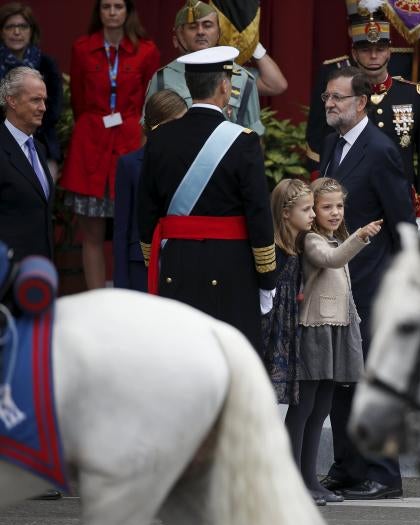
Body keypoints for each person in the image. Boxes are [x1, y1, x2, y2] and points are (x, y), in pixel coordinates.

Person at [137, 46, 277, 350]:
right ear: (225, 86)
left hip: (176, 261)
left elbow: (146, 211)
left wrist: (156, 260)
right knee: (229, 357)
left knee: (180, 354)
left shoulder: (159, 139)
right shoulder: (244, 142)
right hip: (232, 267)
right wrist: (267, 278)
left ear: (188, 86)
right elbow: (258, 215)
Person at [318, 66, 415, 499]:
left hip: (375, 280)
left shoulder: (380, 150)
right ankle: (348, 466)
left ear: (360, 103)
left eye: (337, 98)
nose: (329, 104)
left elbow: (402, 222)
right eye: (326, 97)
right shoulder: (331, 144)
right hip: (338, 279)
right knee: (340, 375)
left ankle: (383, 474)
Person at [288, 177, 381, 506]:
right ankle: (292, 480)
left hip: (335, 327)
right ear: (312, 210)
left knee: (322, 408)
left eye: (339, 206)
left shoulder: (332, 237)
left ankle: (310, 479)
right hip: (316, 328)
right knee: (304, 408)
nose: (335, 212)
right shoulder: (312, 240)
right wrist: (360, 236)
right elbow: (333, 259)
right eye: (326, 206)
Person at [307, 0, 420, 236]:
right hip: (347, 204)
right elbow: (318, 146)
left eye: (380, 49)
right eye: (366, 50)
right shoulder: (337, 91)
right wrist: (320, 198)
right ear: (355, 53)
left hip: (400, 201)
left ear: (389, 51)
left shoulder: (411, 93)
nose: (374, 56)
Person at [59, 0, 160, 290]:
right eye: (106, 7)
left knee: (130, 229)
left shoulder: (146, 50)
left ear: (128, 11)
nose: (112, 12)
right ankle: (95, 300)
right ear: (98, 12)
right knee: (91, 233)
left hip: (130, 142)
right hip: (89, 147)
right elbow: (78, 97)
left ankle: (129, 296)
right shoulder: (82, 48)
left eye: (118, 6)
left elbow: (149, 101)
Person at [144, 0, 287, 137]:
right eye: (192, 26)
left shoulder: (242, 78)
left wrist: (251, 43)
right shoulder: (163, 77)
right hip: (175, 159)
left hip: (226, 159)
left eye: (207, 25)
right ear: (180, 35)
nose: (200, 31)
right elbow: (149, 131)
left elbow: (253, 136)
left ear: (219, 33)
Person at [113, 89, 186, 292]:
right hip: (141, 265)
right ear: (159, 125)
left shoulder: (190, 163)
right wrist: (121, 283)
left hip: (180, 262)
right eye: (178, 122)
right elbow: (121, 230)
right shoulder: (129, 164)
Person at [262, 178, 314, 407]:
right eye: (306, 209)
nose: (312, 214)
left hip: (286, 322)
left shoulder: (297, 246)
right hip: (271, 326)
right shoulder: (275, 250)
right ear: (285, 213)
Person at [0, 3, 61, 179]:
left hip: (40, 143)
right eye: (10, 26)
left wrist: (30, 130)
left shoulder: (47, 64)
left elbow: (54, 109)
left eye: (23, 26)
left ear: (31, 31)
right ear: (1, 31)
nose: (16, 32)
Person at [0, 66, 53, 261]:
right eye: (35, 100)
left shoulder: (38, 148)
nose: (43, 108)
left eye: (44, 100)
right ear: (12, 100)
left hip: (37, 271)